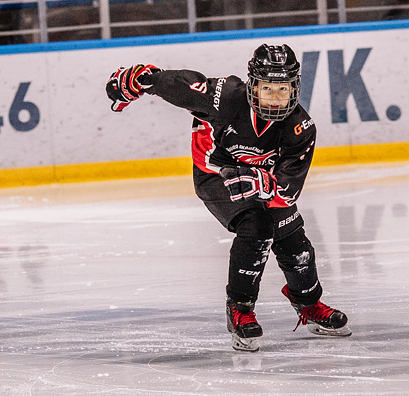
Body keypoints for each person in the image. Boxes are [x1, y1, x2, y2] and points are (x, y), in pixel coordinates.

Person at [105, 43, 350, 352]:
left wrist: (260, 182)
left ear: (295, 88)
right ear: (252, 86)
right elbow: (179, 84)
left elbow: (287, 189)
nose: (275, 98)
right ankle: (240, 310)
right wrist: (142, 78)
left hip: (264, 182)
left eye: (283, 90)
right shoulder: (224, 96)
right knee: (256, 227)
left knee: (293, 237)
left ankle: (308, 304)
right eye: (267, 89)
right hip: (214, 175)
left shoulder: (301, 128)